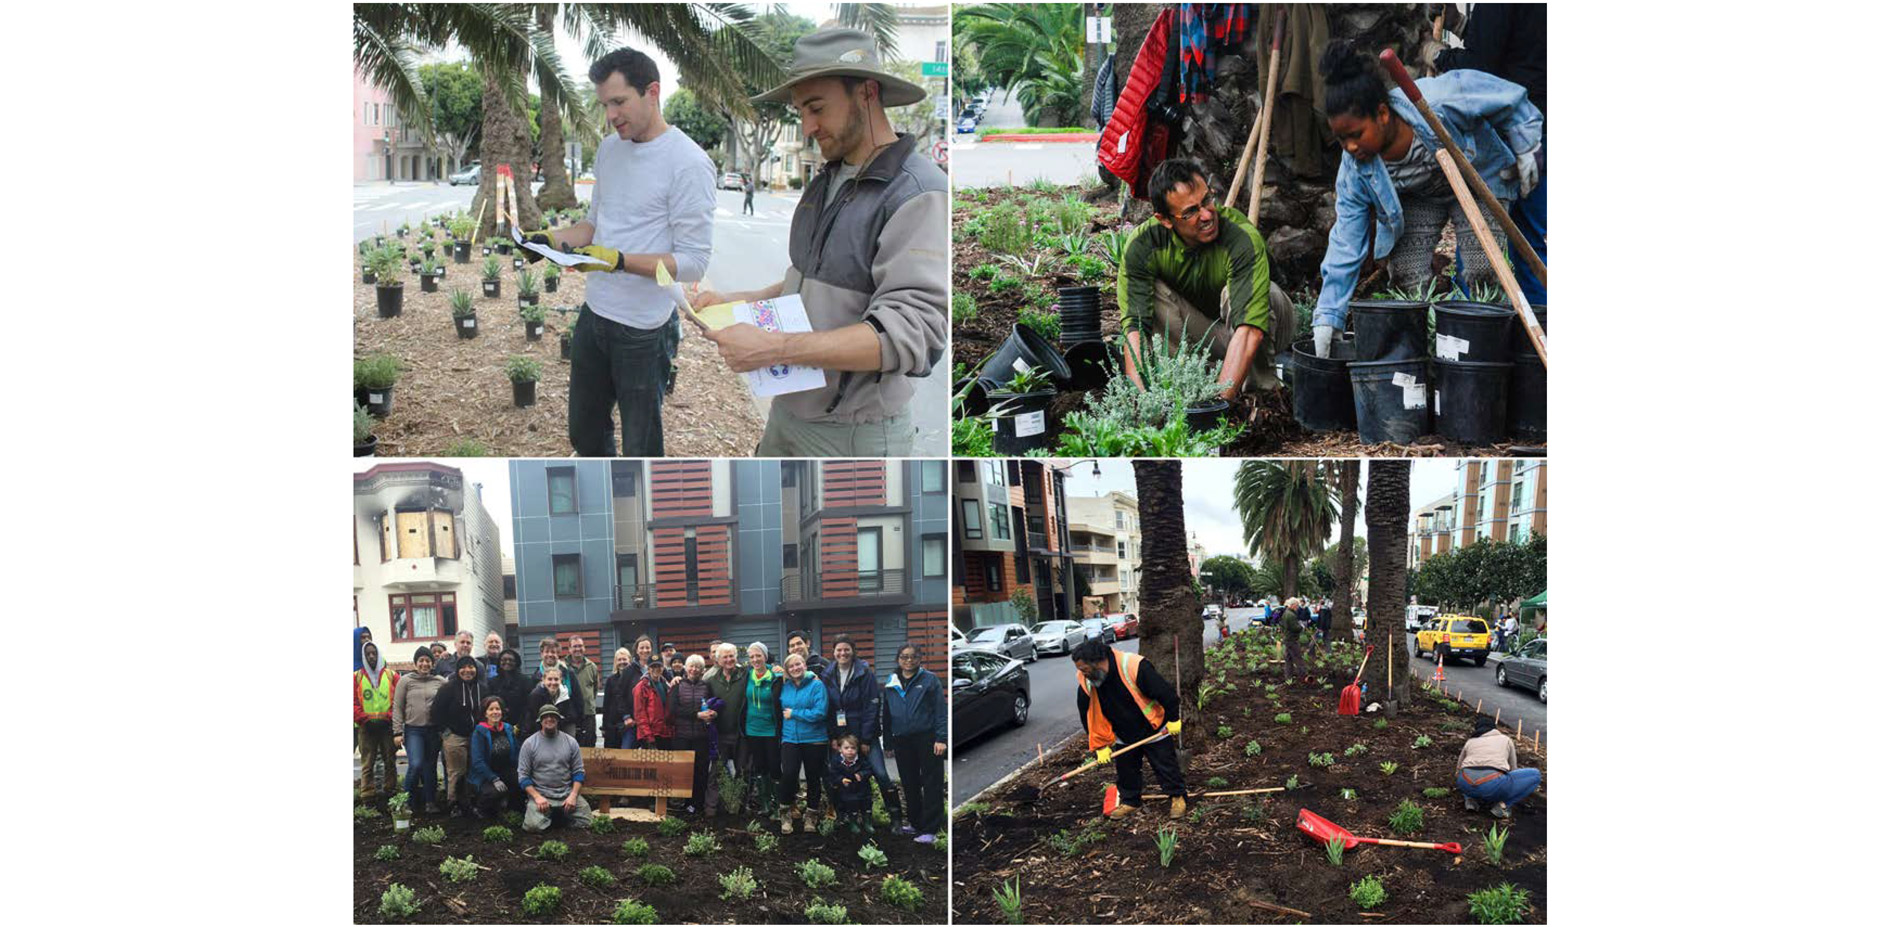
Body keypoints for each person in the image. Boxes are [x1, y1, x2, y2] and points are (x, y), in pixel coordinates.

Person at [689, 27, 948, 458]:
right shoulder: (827, 179)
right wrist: (733, 301)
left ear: (866, 92)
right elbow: (807, 280)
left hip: (854, 436)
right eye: (800, 111)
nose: (807, 127)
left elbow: (911, 335)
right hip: (788, 409)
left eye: (816, 108)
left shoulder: (917, 193)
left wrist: (774, 349)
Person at [520, 47, 715, 457]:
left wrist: (620, 261)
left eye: (619, 102)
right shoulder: (610, 150)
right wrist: (551, 240)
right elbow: (594, 225)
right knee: (585, 433)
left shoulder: (689, 163)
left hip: (644, 331)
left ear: (653, 92)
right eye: (605, 104)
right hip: (595, 316)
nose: (610, 115)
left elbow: (693, 262)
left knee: (642, 447)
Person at [1307, 41, 1543, 359]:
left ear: (1382, 114)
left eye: (1356, 134)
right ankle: (1426, 364)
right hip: (1418, 194)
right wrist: (1328, 315)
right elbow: (1346, 240)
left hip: (1474, 176)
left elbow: (1507, 97)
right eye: (1341, 138)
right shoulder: (1356, 169)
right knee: (1406, 280)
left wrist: (1528, 146)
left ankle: (1485, 359)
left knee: (1483, 272)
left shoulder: (1439, 101)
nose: (1349, 147)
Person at [1115, 157, 1297, 396]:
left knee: (1257, 293)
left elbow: (1250, 328)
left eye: (1207, 200)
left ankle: (1259, 394)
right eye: (1191, 211)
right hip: (1208, 333)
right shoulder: (1144, 244)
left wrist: (1219, 407)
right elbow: (1135, 328)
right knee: (1153, 294)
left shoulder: (1240, 237)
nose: (1207, 215)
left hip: (1267, 327)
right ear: (1165, 220)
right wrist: (1139, 398)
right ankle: (1182, 382)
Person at [1428, 3, 1546, 307]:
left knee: (1476, 238)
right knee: (1529, 244)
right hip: (1538, 128)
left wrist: (1438, 55)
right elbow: (1511, 43)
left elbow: (1481, 69)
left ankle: (1472, 334)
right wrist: (1461, 25)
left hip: (1504, 132)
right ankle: (1539, 335)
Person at [1072, 639, 1186, 820]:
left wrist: (1173, 719)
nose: (1083, 674)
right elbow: (1087, 715)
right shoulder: (1088, 681)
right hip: (1122, 733)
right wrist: (1101, 746)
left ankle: (1177, 797)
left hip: (1153, 728)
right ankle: (1130, 801)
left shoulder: (1134, 666)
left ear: (1098, 662)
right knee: (1126, 770)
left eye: (1085, 669)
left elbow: (1167, 694)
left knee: (1165, 765)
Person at [823, 636, 901, 821]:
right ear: (833, 652)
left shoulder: (864, 673)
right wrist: (833, 736)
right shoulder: (827, 674)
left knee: (881, 774)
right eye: (839, 650)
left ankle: (896, 817)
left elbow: (872, 706)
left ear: (853, 651)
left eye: (846, 649)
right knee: (838, 776)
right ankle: (844, 815)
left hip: (865, 735)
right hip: (841, 737)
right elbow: (828, 708)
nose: (843, 653)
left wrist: (865, 739)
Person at [883, 643, 946, 842]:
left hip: (926, 738)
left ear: (920, 659)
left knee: (931, 782)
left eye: (913, 657)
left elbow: (940, 711)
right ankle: (915, 822)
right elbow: (886, 714)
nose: (908, 661)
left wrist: (941, 738)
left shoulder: (929, 680)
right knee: (909, 782)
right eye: (904, 657)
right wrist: (888, 743)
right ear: (898, 659)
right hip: (902, 740)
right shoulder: (891, 682)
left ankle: (931, 828)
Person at [776, 653, 831, 834]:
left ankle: (811, 815)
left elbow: (820, 712)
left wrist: (795, 713)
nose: (795, 668)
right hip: (790, 738)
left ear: (805, 666)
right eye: (791, 666)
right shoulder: (786, 687)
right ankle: (785, 812)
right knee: (789, 775)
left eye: (798, 664)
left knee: (813, 778)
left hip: (814, 739)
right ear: (787, 670)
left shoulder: (817, 685)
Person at [518, 703, 594, 831]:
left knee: (586, 822)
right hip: (541, 796)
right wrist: (537, 797)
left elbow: (579, 773)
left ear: (558, 719)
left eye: (553, 716)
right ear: (540, 720)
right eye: (545, 716)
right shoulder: (529, 744)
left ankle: (558, 817)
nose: (549, 719)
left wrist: (573, 795)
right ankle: (550, 816)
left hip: (566, 794)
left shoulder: (570, 742)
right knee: (533, 827)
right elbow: (523, 777)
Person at [391, 647, 448, 813]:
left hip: (433, 730)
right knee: (415, 764)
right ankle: (406, 802)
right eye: (421, 660)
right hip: (413, 730)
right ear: (416, 663)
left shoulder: (440, 681)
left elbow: (448, 702)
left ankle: (430, 801)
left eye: (428, 661)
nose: (424, 663)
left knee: (430, 766)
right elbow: (397, 706)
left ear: (432, 663)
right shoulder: (406, 681)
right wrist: (397, 731)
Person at [1453, 716, 1541, 819]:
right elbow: (1513, 769)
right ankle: (1502, 806)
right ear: (1495, 728)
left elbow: (1458, 769)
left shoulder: (1470, 741)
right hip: (1491, 785)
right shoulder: (1506, 740)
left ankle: (1470, 799)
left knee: (1468, 775)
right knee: (1535, 775)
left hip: (1465, 783)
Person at [431, 656, 486, 815]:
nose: (467, 670)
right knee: (456, 772)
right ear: (457, 670)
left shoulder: (482, 688)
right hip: (455, 736)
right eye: (463, 667)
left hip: (477, 736)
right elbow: (436, 711)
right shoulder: (448, 688)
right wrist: (445, 733)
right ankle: (454, 803)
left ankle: (472, 802)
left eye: (471, 667)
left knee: (474, 770)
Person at [354, 640, 400, 800]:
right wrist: (363, 719)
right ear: (364, 656)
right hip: (366, 727)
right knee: (367, 762)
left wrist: (388, 717)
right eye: (368, 654)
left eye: (374, 653)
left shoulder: (391, 675)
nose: (371, 656)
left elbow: (399, 700)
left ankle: (390, 791)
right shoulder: (356, 677)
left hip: (387, 725)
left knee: (390, 760)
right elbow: (352, 701)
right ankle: (367, 795)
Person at [669, 654, 715, 815]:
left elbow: (714, 703)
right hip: (682, 736)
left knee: (701, 771)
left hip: (701, 736)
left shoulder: (706, 686)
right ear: (686, 668)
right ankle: (684, 803)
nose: (694, 669)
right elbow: (673, 709)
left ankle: (698, 803)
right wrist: (696, 715)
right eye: (691, 666)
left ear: (702, 670)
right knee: (684, 772)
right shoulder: (678, 685)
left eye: (698, 667)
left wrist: (712, 713)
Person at [742, 642, 784, 816]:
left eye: (758, 655)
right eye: (751, 656)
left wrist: (812, 674)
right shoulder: (747, 674)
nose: (755, 659)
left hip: (771, 729)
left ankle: (777, 804)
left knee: (775, 766)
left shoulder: (776, 675)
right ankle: (765, 803)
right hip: (752, 728)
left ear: (765, 657)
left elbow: (799, 672)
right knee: (760, 767)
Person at [705, 643, 749, 803]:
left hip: (741, 733)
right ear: (718, 660)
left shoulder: (746, 675)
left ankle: (740, 806)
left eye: (732, 656)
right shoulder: (711, 680)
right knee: (716, 772)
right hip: (721, 733)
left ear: (736, 657)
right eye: (725, 657)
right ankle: (712, 807)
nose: (729, 659)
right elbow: (703, 701)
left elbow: (764, 671)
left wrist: (778, 670)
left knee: (743, 771)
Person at [468, 696, 522, 820]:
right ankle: (480, 810)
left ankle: (511, 811)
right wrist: (494, 778)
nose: (495, 712)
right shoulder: (480, 732)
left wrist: (520, 770)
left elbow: (516, 751)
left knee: (522, 783)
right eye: (491, 709)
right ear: (485, 713)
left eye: (497, 709)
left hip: (506, 770)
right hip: (486, 774)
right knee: (494, 792)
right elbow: (477, 761)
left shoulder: (508, 728)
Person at [826, 733, 874, 833]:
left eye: (853, 748)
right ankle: (853, 823)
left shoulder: (861, 760)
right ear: (840, 749)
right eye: (846, 748)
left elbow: (869, 770)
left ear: (857, 749)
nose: (850, 751)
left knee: (867, 805)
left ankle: (867, 822)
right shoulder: (836, 761)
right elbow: (833, 774)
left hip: (863, 788)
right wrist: (841, 779)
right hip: (847, 789)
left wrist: (862, 774)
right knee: (851, 805)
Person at [484, 648, 535, 738]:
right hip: (497, 725)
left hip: (521, 726)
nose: (507, 662)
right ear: (499, 662)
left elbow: (529, 706)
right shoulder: (492, 682)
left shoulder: (526, 681)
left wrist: (520, 725)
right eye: (504, 660)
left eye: (510, 660)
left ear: (516, 663)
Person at [566, 636, 601, 747]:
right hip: (570, 715)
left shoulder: (592, 667)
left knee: (590, 745)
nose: (578, 649)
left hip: (588, 714)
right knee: (570, 746)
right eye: (574, 646)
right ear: (569, 649)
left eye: (580, 646)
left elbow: (594, 689)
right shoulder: (563, 667)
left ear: (584, 648)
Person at [633, 658, 676, 748]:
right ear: (648, 669)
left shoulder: (666, 685)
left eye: (659, 666)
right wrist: (648, 737)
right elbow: (640, 715)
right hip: (650, 735)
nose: (656, 669)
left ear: (663, 668)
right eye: (653, 667)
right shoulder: (641, 687)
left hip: (665, 734)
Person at [526, 666, 581, 737]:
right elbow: (532, 718)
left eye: (556, 679)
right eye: (549, 679)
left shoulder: (564, 693)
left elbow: (570, 715)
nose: (553, 682)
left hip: (559, 725)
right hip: (539, 728)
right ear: (543, 680)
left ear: (561, 680)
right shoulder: (536, 695)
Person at [602, 647, 637, 749]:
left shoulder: (635, 678)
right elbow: (606, 704)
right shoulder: (610, 680)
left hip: (630, 724)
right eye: (619, 660)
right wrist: (605, 727)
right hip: (613, 724)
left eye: (624, 659)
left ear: (629, 660)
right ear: (615, 662)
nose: (622, 662)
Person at [1281, 596, 1310, 682]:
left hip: (1287, 639)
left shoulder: (1286, 613)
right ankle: (1304, 676)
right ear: (1293, 605)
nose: (1297, 607)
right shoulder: (1291, 615)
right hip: (1292, 639)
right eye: (1297, 605)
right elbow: (1295, 628)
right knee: (1298, 658)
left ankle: (1288, 677)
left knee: (1288, 659)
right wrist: (1301, 627)